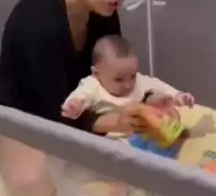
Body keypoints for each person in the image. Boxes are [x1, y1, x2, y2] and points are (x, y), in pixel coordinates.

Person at [0, 0, 148, 196]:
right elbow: (53, 107)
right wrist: (109, 122)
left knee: (137, 158)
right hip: (22, 115)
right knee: (33, 187)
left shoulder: (104, 14)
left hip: (79, 105)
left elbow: (112, 75)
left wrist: (146, 100)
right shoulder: (37, 20)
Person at [62, 34, 195, 134]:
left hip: (140, 136)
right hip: (107, 142)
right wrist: (74, 107)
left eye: (132, 76)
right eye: (119, 79)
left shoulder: (139, 82)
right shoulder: (92, 86)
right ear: (97, 74)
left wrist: (178, 96)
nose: (128, 85)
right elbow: (77, 99)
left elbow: (159, 85)